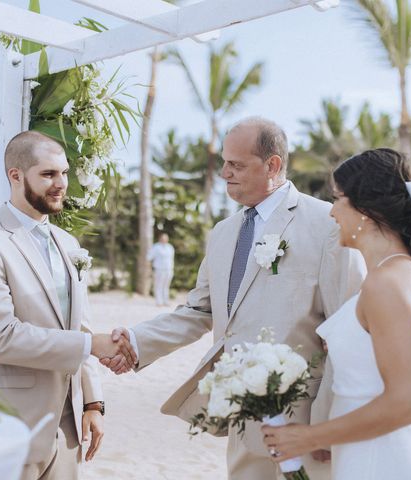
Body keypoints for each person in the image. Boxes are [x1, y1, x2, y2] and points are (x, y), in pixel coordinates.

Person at [106, 117, 365, 480]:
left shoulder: (327, 223)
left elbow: (348, 327)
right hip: (241, 413)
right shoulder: (223, 233)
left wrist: (329, 423)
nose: (224, 173)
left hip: (305, 419)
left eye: (236, 164)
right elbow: (198, 310)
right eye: (225, 162)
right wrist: (135, 341)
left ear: (272, 165)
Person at [262, 149, 411, 479]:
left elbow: (406, 403)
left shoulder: (389, 284)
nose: (332, 212)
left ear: (366, 210)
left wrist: (307, 436)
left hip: (385, 460)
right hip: (367, 453)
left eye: (338, 198)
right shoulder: (390, 276)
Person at [0, 131, 135, 480]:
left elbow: (79, 326)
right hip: (10, 424)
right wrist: (92, 344)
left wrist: (93, 403)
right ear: (16, 175)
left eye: (64, 173)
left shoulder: (68, 244)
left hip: (68, 429)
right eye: (48, 174)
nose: (61, 184)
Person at [148, 233, 175, 306]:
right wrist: (150, 269)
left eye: (166, 238)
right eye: (163, 238)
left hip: (169, 269)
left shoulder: (170, 247)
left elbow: (171, 259)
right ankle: (159, 302)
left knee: (166, 286)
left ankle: (166, 301)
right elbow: (149, 258)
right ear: (160, 238)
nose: (164, 240)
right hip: (159, 269)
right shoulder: (156, 247)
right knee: (158, 286)